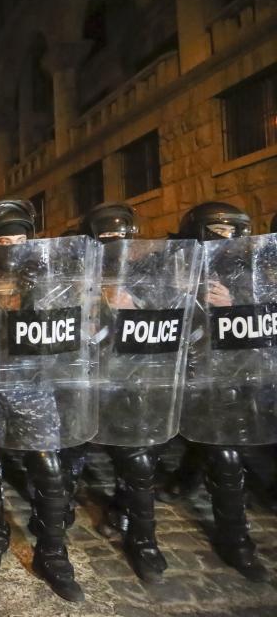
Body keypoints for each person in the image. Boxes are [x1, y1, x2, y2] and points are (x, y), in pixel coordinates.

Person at [79, 202, 201, 581]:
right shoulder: (76, 271)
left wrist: (131, 308)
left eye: (121, 239)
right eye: (105, 239)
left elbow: (180, 327)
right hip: (81, 384)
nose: (115, 247)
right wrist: (89, 309)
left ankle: (143, 539)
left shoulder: (153, 275)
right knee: (64, 465)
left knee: (137, 461)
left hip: (129, 382)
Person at [0, 198, 91, 602]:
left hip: (33, 386)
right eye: (4, 239)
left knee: (48, 467)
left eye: (19, 238)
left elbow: (66, 335)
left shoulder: (50, 281)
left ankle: (52, 553)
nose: (12, 246)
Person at [168, 202, 271, 581]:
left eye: (232, 231)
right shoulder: (175, 264)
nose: (225, 239)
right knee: (197, 439)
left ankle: (235, 539)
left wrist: (230, 308)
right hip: (183, 373)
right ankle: (184, 478)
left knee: (226, 455)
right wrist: (176, 296)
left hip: (227, 376)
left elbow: (263, 321)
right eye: (217, 231)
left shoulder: (251, 272)